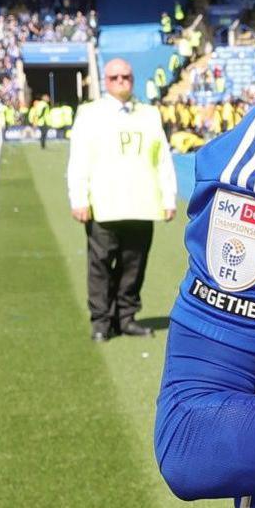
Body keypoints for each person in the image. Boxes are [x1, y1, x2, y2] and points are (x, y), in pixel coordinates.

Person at [67, 58, 176, 342]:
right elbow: (78, 159)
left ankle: (126, 317)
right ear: (106, 80)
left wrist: (168, 197)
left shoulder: (150, 114)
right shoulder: (89, 113)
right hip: (104, 204)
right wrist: (78, 197)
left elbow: (162, 158)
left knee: (134, 266)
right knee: (100, 266)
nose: (121, 81)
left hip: (142, 203)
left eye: (126, 76)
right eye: (115, 77)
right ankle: (102, 321)